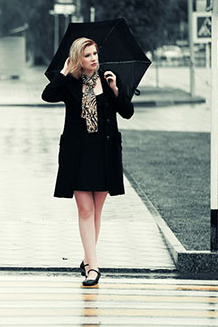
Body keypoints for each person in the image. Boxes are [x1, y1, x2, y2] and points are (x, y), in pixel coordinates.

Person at [41, 37, 134, 286]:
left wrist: (115, 90)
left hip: (105, 153)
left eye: (95, 53)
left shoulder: (108, 79)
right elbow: (47, 95)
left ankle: (86, 258)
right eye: (88, 55)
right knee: (85, 209)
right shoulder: (69, 83)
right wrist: (62, 72)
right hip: (78, 154)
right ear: (77, 60)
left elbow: (127, 111)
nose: (94, 58)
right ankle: (93, 268)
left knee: (96, 211)